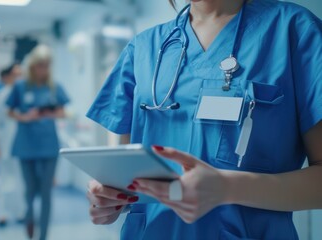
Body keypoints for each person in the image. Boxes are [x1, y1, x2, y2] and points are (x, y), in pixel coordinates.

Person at [85, 0, 322, 239]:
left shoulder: (293, 30)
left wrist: (227, 188)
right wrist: (110, 198)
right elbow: (127, 176)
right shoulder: (144, 48)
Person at [6, 45, 69, 240]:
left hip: (49, 145)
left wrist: (51, 113)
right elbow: (9, 111)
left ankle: (44, 236)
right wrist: (25, 117)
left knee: (46, 192)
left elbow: (63, 111)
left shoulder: (54, 87)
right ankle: (29, 219)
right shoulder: (20, 86)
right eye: (41, 65)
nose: (44, 69)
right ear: (32, 66)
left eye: (47, 65)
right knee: (30, 190)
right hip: (26, 145)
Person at [0, 64, 25, 227]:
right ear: (7, 77)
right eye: (15, 75)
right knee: (3, 179)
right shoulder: (2, 95)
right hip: (5, 143)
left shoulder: (24, 94)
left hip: (23, 145)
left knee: (20, 180)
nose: (18, 78)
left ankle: (20, 212)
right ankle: (1, 214)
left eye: (20, 75)